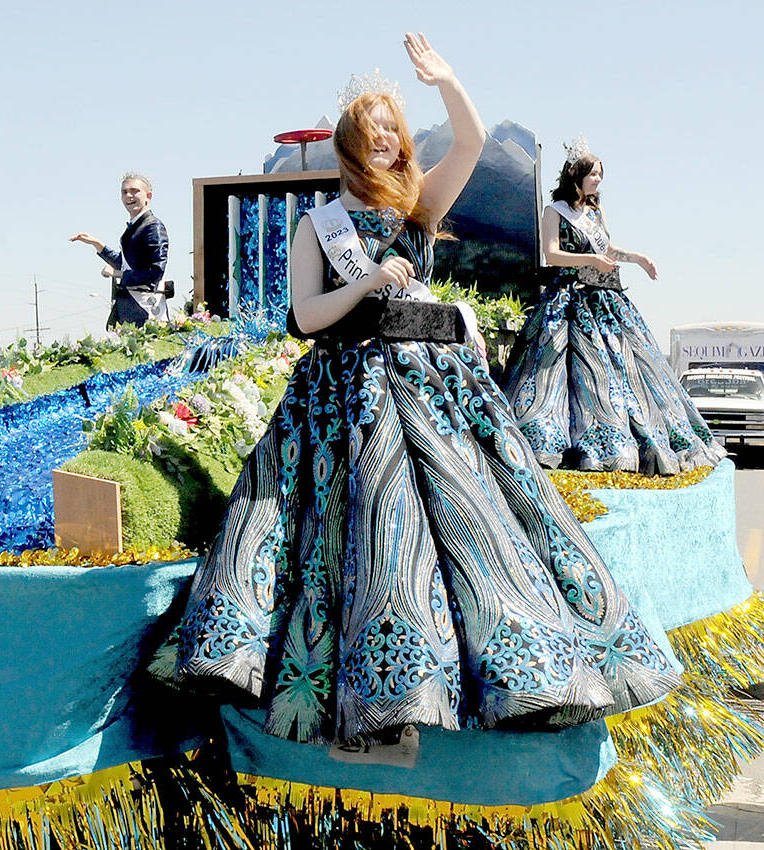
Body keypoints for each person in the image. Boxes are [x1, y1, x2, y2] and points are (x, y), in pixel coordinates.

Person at [169, 35, 680, 746]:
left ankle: (511, 667)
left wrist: (447, 82)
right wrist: (371, 282)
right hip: (348, 390)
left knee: (476, 517)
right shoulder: (320, 223)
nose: (384, 141)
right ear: (350, 144)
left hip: (435, 385)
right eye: (371, 132)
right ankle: (377, 688)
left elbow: (469, 142)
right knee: (362, 526)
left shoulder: (418, 208)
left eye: (392, 132)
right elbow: (305, 316)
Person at [502, 139, 725, 473]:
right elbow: (551, 254)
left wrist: (637, 258)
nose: (598, 181)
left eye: (600, 175)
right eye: (593, 174)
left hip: (605, 299)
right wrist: (590, 258)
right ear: (575, 176)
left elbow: (610, 249)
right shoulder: (555, 212)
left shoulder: (596, 213)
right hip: (570, 300)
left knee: (626, 369)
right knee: (559, 369)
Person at [69, 173, 170, 327]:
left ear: (148, 196)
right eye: (124, 192)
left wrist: (118, 274)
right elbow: (126, 264)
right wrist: (98, 245)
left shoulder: (152, 226)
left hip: (145, 308)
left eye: (135, 191)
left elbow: (155, 271)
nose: (129, 195)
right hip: (130, 307)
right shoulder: (136, 226)